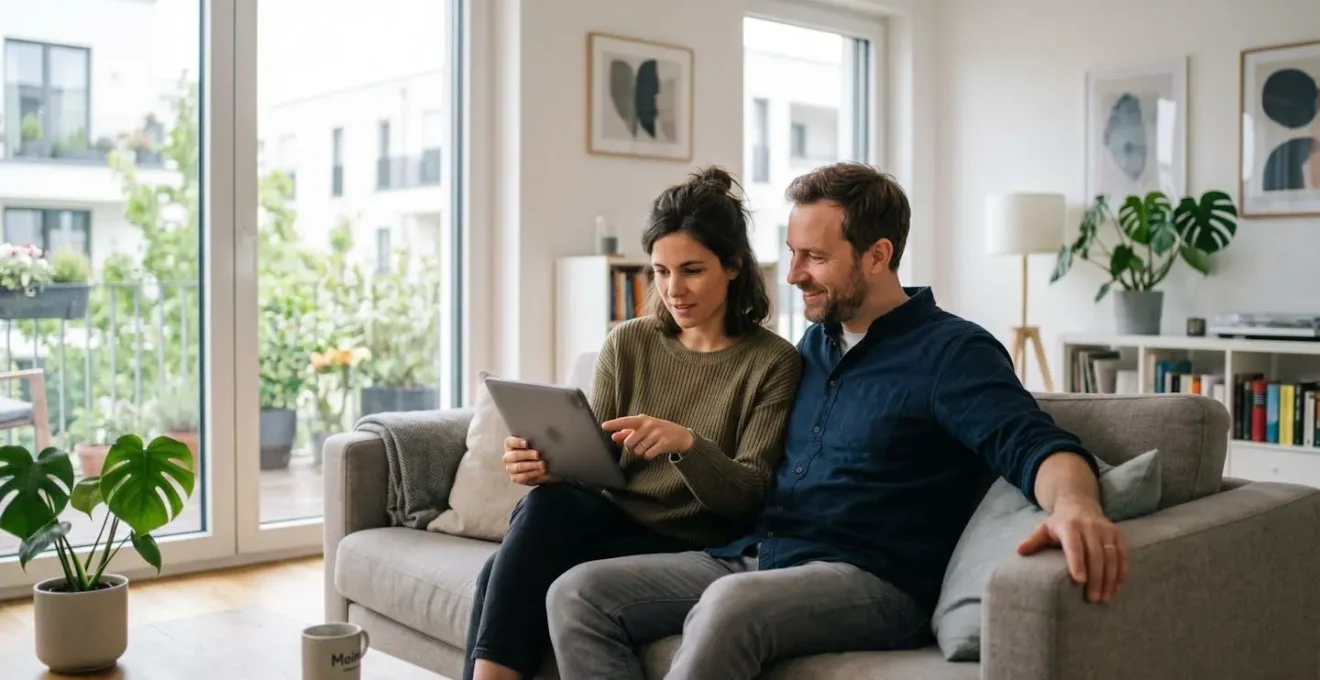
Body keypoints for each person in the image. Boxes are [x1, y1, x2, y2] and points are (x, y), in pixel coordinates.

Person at [544, 162, 1130, 680]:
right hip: (764, 550)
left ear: (878, 255)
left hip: (872, 579)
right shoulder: (814, 344)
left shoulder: (952, 353)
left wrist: (1076, 505)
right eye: (793, 252)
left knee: (729, 606)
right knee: (578, 592)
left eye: (815, 258)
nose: (793, 274)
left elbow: (1033, 443)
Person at [462, 167, 803, 680]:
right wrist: (546, 463)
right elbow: (599, 466)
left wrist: (686, 445)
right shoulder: (630, 342)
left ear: (733, 266)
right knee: (545, 505)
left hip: (694, 540)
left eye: (691, 270)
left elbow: (749, 493)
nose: (673, 290)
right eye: (660, 272)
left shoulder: (773, 362)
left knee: (502, 571)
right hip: (615, 518)